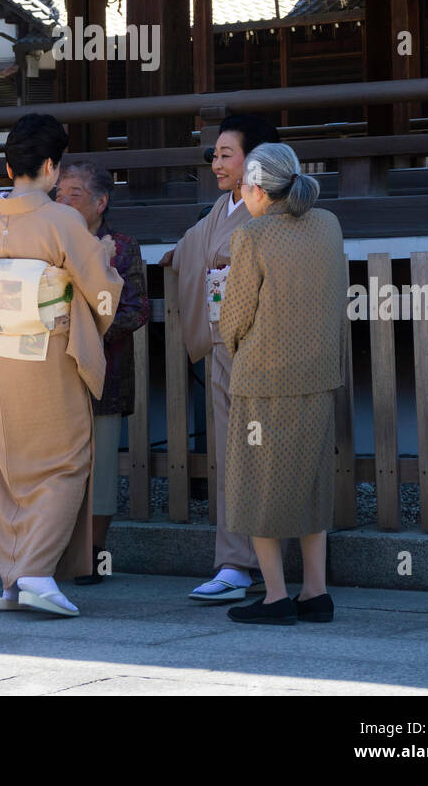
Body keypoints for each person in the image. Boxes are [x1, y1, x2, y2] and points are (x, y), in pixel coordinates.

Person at [0, 114, 123, 618]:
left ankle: (13, 578)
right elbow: (100, 291)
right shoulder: (61, 221)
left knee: (12, 464)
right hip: (46, 351)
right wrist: (106, 258)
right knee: (65, 460)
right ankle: (35, 572)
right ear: (51, 166)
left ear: (11, 164)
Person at [220, 142, 348, 627]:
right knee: (311, 482)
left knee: (259, 485)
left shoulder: (253, 235)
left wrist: (235, 349)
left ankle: (275, 596)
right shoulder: (328, 224)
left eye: (242, 186)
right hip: (318, 373)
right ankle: (315, 592)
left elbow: (235, 316)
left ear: (256, 189)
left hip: (264, 376)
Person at [160, 113, 280, 603]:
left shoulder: (272, 210)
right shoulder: (221, 208)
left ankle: (255, 563)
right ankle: (235, 562)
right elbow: (192, 248)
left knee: (264, 456)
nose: (215, 163)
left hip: (263, 349)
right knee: (230, 455)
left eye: (226, 154)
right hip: (223, 349)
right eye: (214, 154)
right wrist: (179, 258)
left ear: (254, 160)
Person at [55, 162, 149, 584]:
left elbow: (136, 308)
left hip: (106, 372)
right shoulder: (50, 240)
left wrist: (89, 327)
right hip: (54, 370)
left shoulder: (123, 245)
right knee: (56, 463)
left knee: (102, 467)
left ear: (100, 202)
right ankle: (53, 548)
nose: (62, 200)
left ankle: (94, 553)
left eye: (73, 193)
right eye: (59, 192)